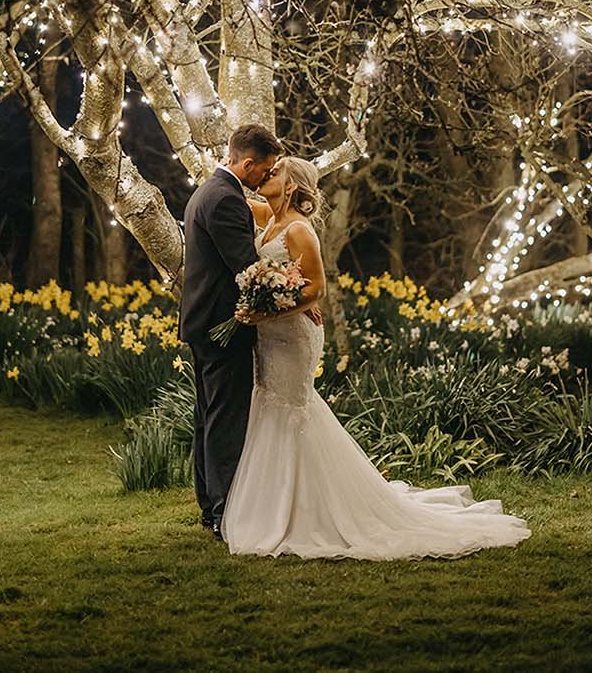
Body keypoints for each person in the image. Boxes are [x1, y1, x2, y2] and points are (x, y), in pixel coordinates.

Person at [221, 155, 532, 559]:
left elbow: (316, 290)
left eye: (276, 171)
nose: (267, 175)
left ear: (293, 185)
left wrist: (270, 310)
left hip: (292, 336)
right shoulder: (270, 214)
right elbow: (235, 197)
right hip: (271, 334)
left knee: (291, 408)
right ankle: (280, 506)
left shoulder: (299, 230)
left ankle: (305, 513)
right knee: (270, 405)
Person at [179, 124, 317, 539]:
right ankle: (222, 513)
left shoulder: (210, 191)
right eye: (265, 169)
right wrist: (293, 295)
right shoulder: (225, 200)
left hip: (203, 323)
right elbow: (248, 268)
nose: (264, 177)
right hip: (223, 325)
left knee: (208, 417)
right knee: (224, 420)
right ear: (247, 163)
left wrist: (299, 294)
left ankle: (210, 506)